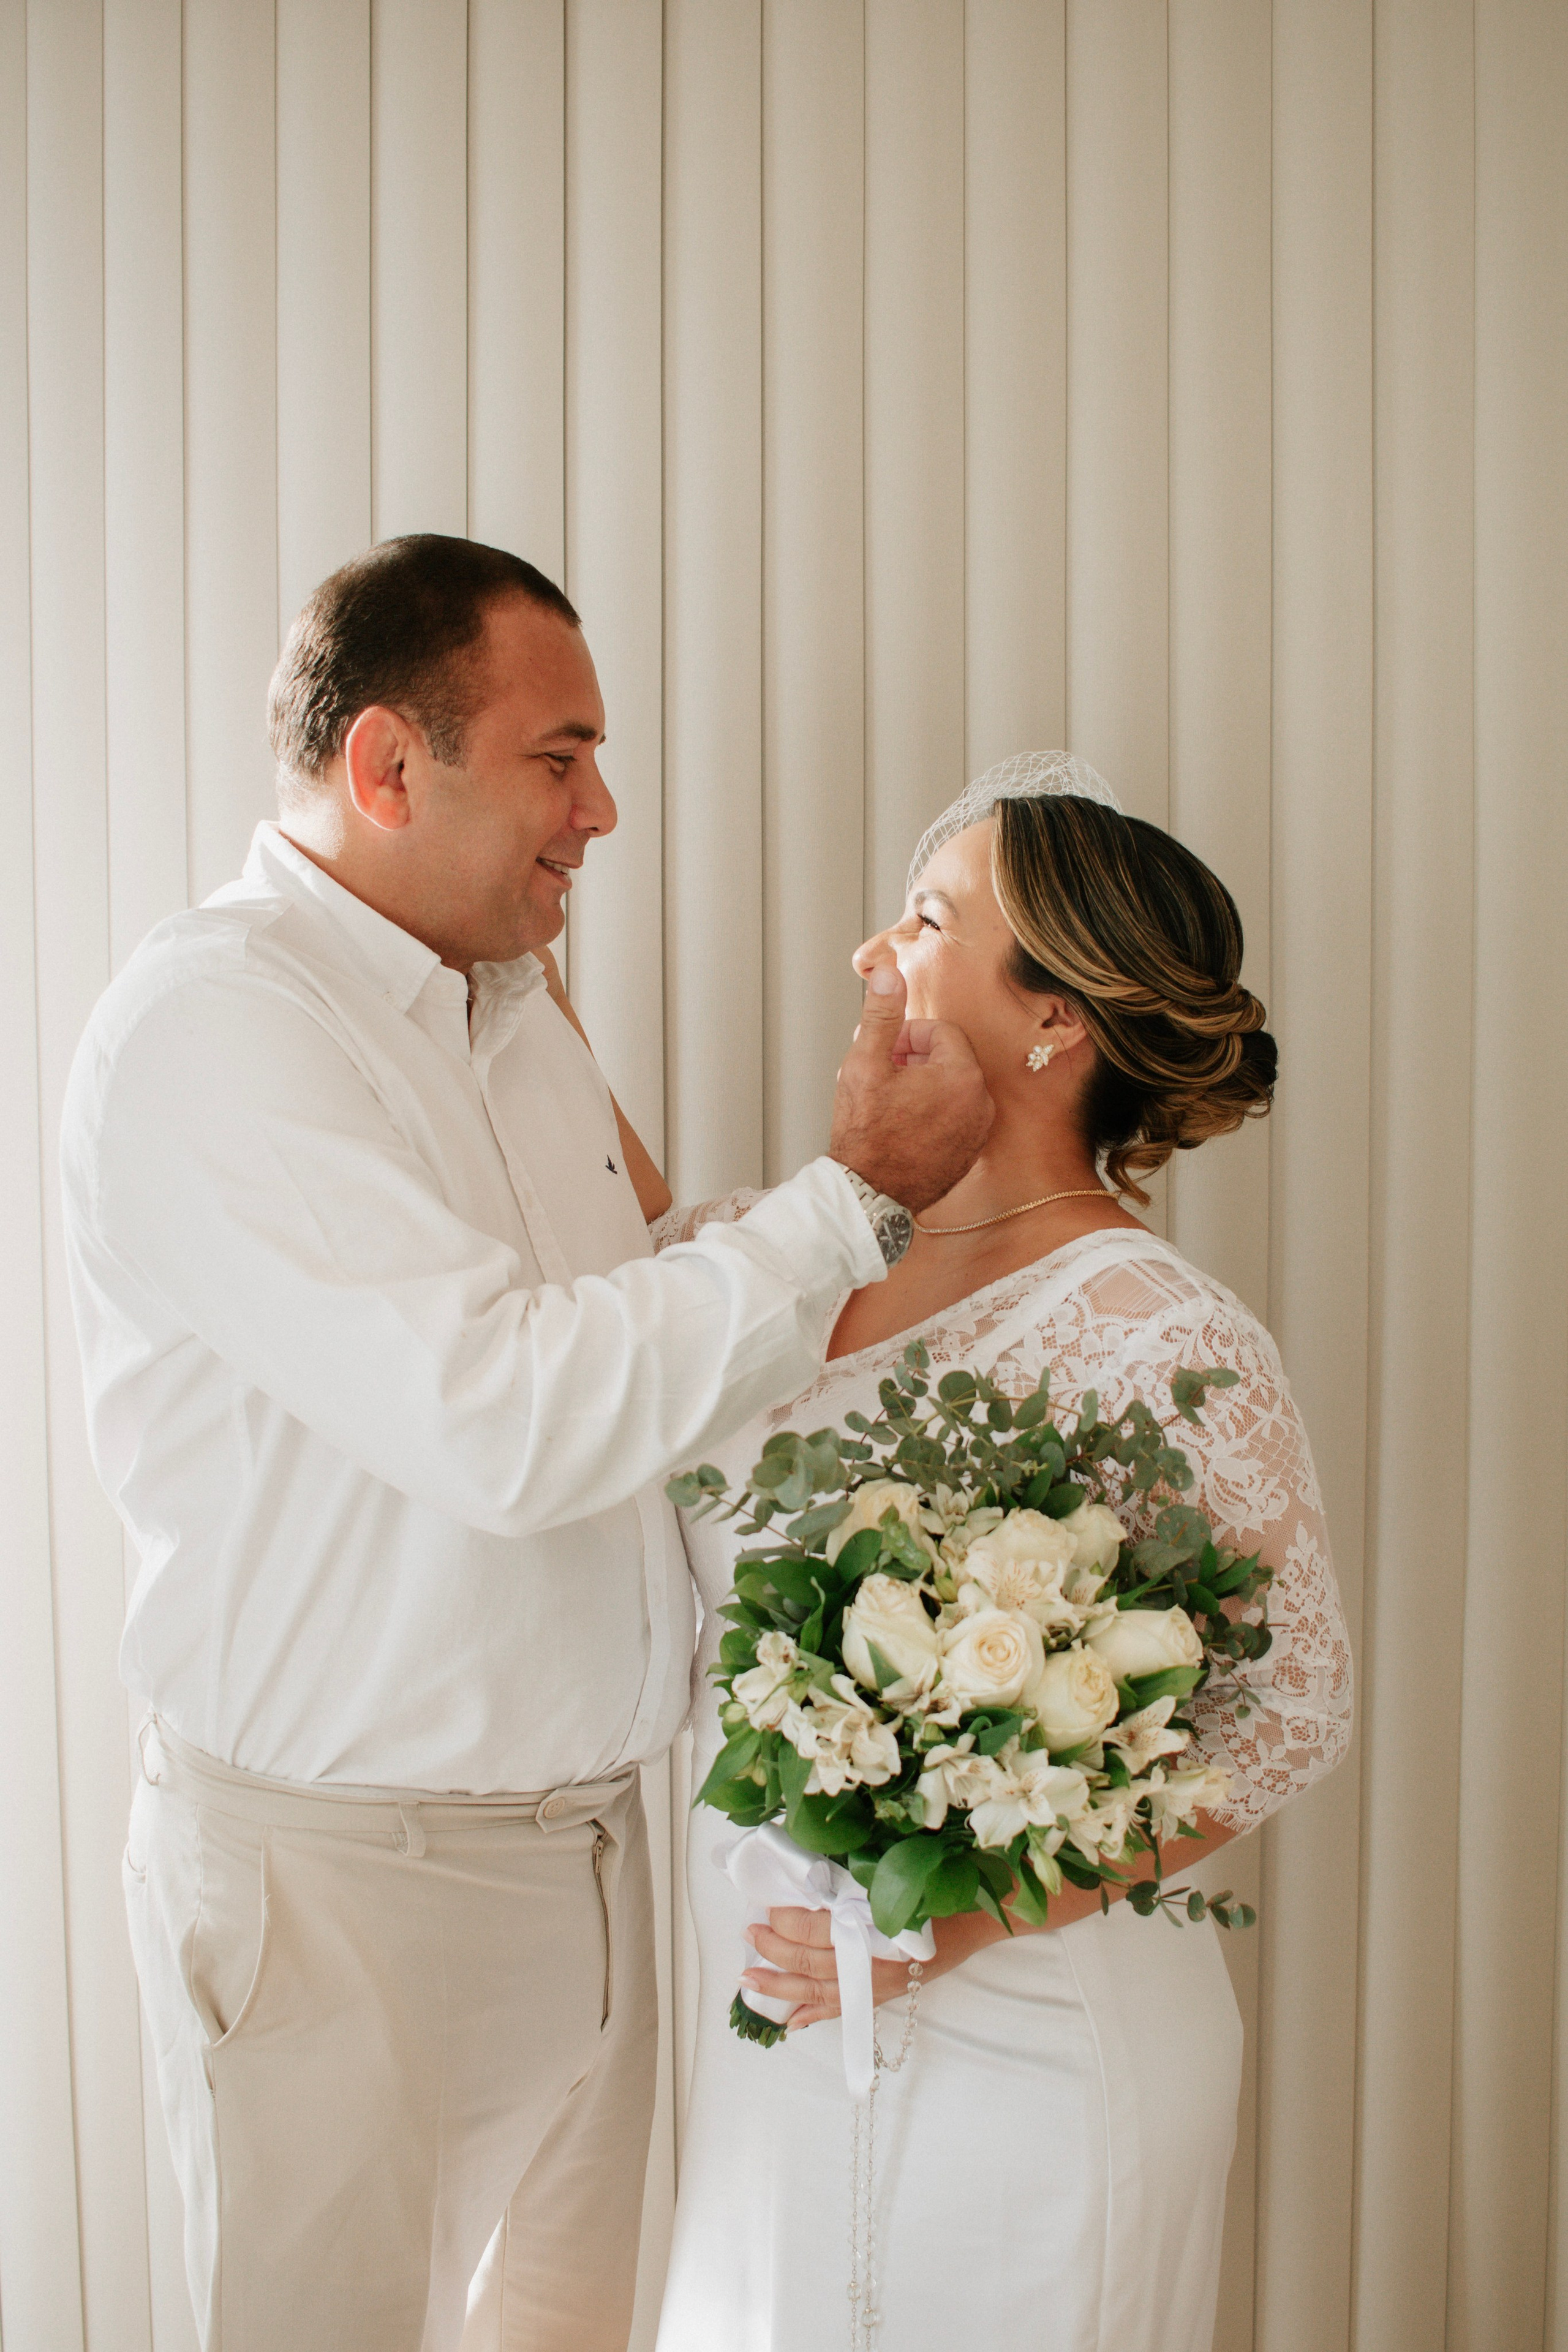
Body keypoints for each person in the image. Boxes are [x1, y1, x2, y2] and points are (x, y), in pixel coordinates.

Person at [59, 534, 992, 2352]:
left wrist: (896, 1238)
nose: (606, 812)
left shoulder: (515, 1008)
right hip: (342, 1898)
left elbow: (627, 1292)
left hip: (592, 1867)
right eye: (560, 759)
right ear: (390, 766)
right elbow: (503, 1418)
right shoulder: (218, 1032)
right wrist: (848, 1204)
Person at [652, 756, 1353, 2352]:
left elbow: (1287, 1710)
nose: (865, 955)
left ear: (1055, 1022)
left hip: (1027, 2048)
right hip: (770, 2034)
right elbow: (604, 1252)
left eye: (921, 920)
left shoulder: (1158, 1334)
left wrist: (941, 1928)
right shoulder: (784, 1255)